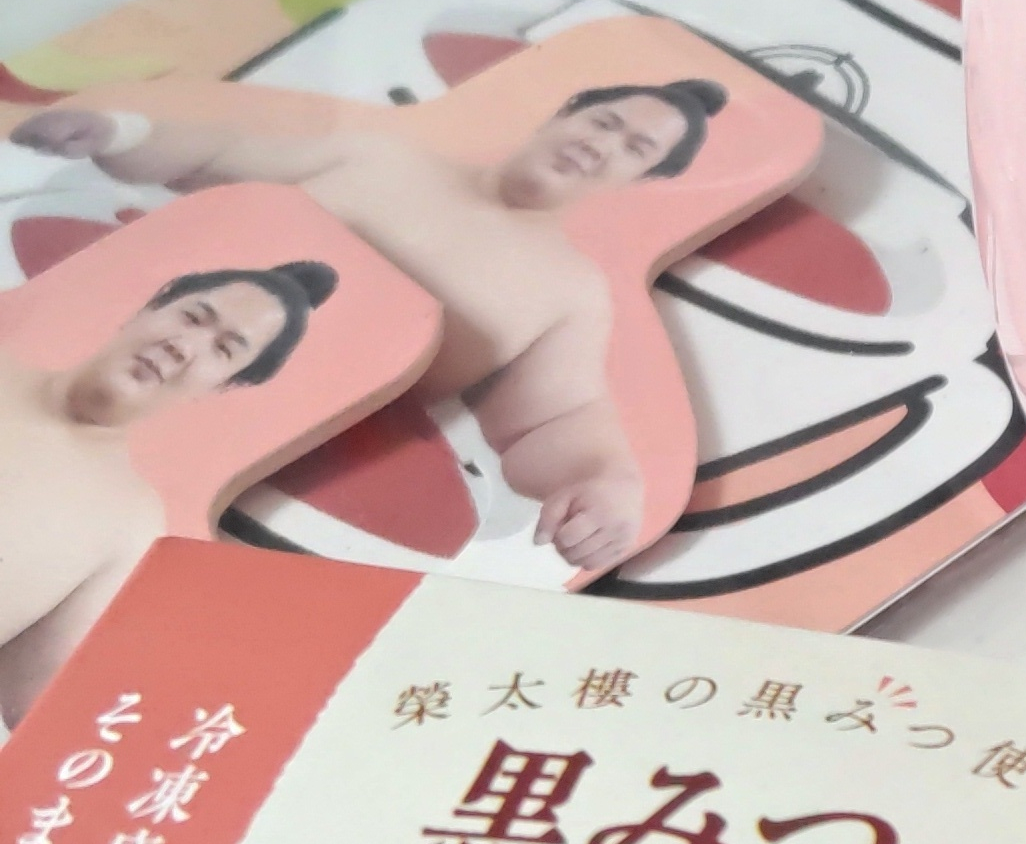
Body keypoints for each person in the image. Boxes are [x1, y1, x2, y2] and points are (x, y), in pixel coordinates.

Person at [8, 77, 728, 579]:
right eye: (604, 122)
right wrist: (120, 131)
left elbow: (555, 417)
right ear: (567, 110)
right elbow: (214, 156)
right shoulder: (380, 155)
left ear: (645, 179)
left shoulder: (569, 292)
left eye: (635, 148)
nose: (603, 145)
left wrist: (603, 483)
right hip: (81, 368)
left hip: (258, 487)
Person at [0, 260, 337, 725]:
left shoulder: (132, 521)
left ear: (224, 385)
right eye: (192, 317)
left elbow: (39, 710)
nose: (183, 347)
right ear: (149, 309)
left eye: (223, 350)